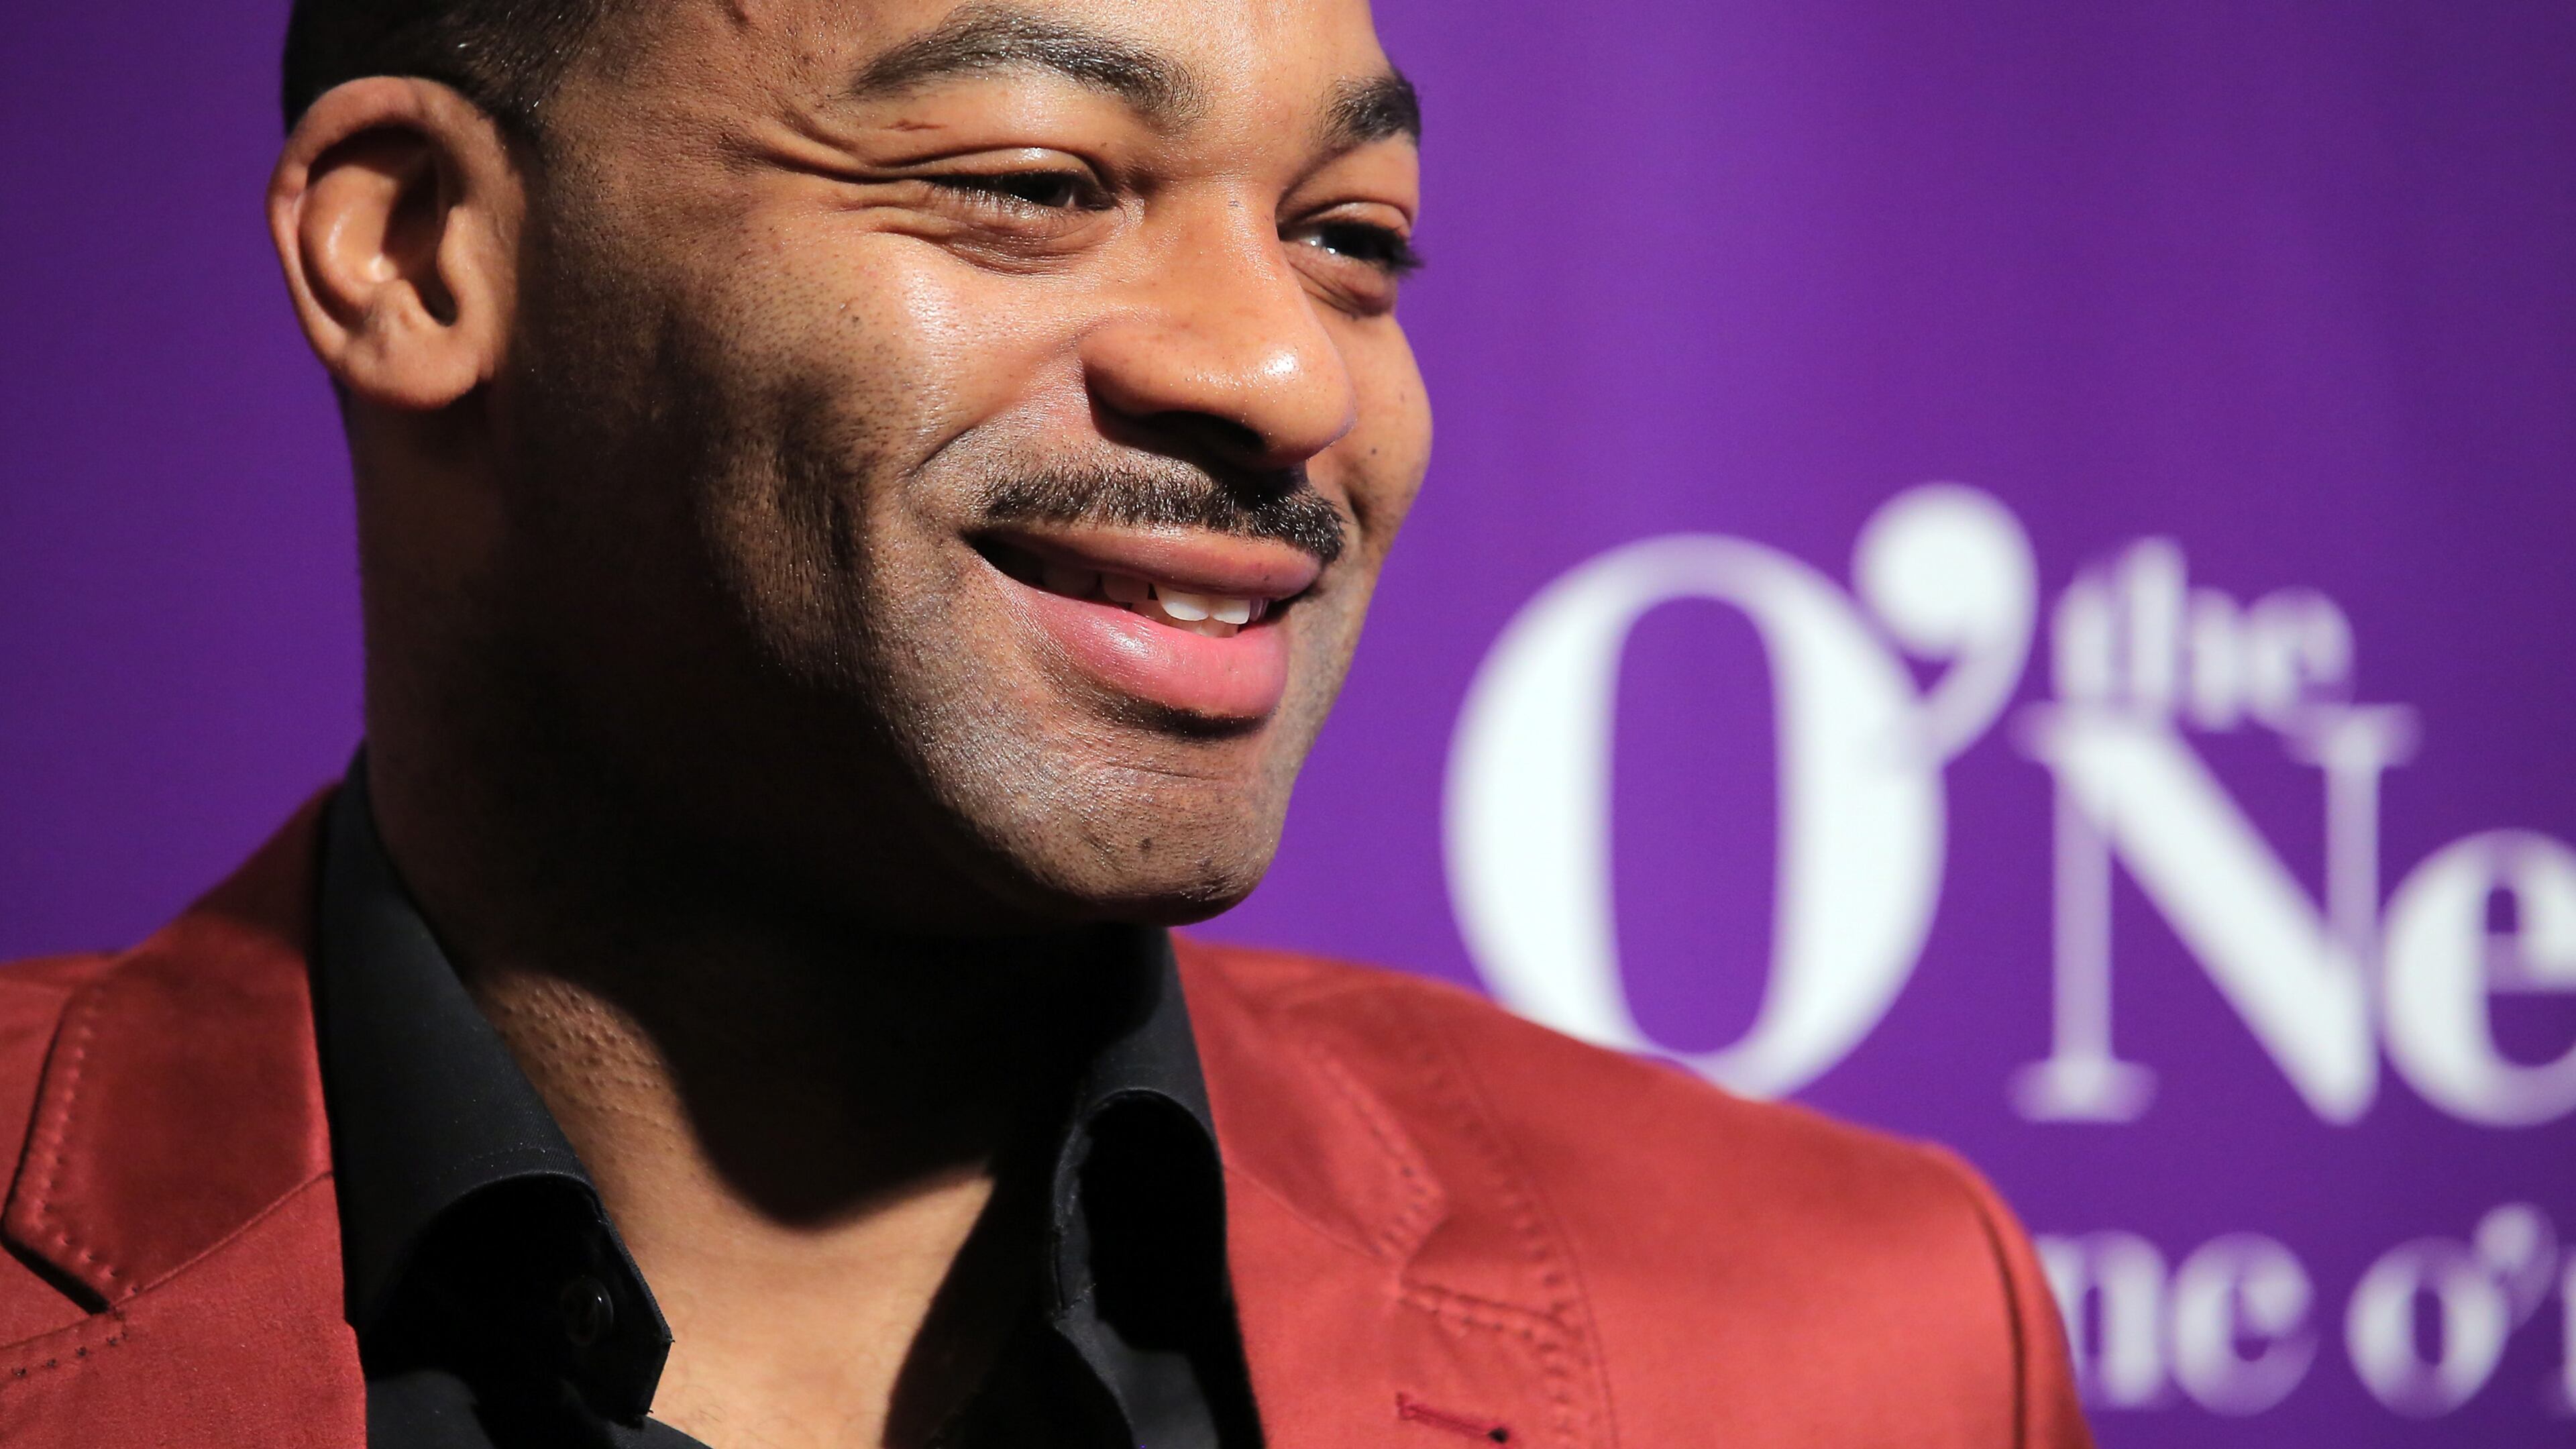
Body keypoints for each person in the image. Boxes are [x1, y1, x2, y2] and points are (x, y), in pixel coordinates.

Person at [0, 0, 2091, 1444]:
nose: (1290, 378)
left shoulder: (1869, 1338)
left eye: (1350, 239)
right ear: (421, 251)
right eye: (1035, 181)